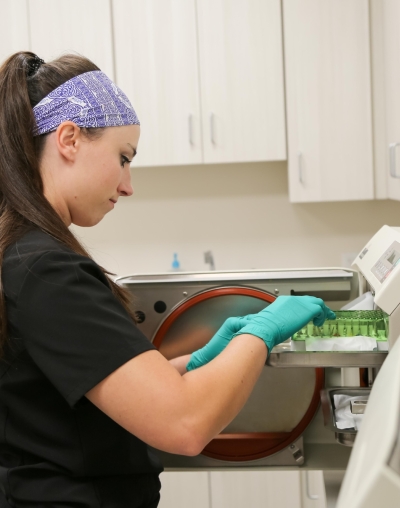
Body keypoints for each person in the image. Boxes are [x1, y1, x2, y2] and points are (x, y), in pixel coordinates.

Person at [0, 51, 336, 508]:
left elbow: (89, 392)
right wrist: (260, 333)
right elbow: (185, 425)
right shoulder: (44, 271)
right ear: (69, 138)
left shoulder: (24, 255)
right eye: (123, 158)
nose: (127, 185)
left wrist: (195, 365)